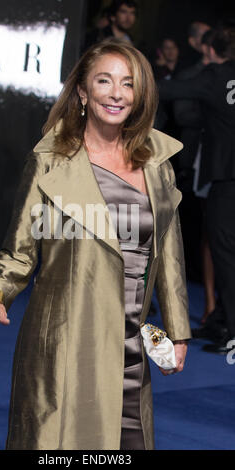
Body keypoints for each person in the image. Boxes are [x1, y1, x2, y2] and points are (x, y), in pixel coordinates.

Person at [0, 39, 191, 450]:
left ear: (139, 96)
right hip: (67, 339)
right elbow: (21, 246)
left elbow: (170, 255)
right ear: (83, 92)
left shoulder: (157, 164)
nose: (117, 93)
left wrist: (176, 332)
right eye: (104, 81)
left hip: (133, 342)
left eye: (128, 84)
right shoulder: (50, 160)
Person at [158, 24, 235, 354]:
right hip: (226, 177)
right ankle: (220, 319)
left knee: (224, 254)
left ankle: (231, 328)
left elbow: (169, 91)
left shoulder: (213, 77)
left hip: (227, 178)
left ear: (210, 50)